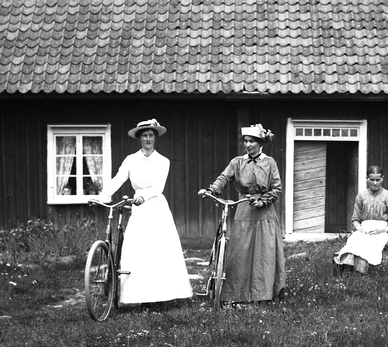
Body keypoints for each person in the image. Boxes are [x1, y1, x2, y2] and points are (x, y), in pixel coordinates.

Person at [92, 118, 192, 306]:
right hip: (139, 209)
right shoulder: (131, 160)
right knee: (138, 249)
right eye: (144, 135)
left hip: (156, 207)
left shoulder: (163, 161)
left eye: (151, 135)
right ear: (139, 138)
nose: (148, 139)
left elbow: (159, 187)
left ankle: (163, 295)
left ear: (155, 137)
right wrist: (102, 197)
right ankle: (140, 296)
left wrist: (144, 197)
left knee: (159, 249)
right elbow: (118, 179)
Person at [198, 124, 286, 303]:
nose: (248, 144)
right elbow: (224, 178)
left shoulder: (270, 162)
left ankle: (263, 293)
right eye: (245, 141)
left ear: (260, 143)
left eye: (252, 141)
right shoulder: (237, 162)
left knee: (264, 252)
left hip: (264, 211)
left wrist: (262, 201)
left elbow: (276, 188)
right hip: (244, 209)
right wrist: (211, 190)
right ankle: (237, 293)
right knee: (240, 251)